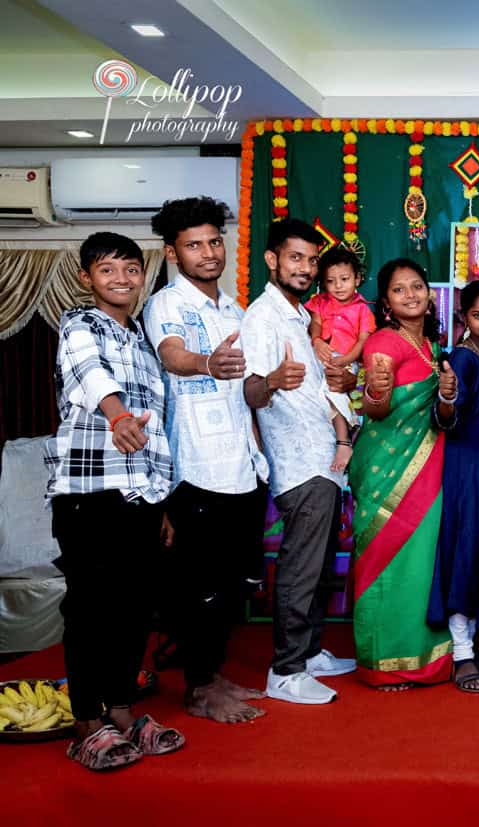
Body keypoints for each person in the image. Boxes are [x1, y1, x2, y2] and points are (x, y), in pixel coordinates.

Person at [47, 232, 184, 770]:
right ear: (88, 278)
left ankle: (122, 711)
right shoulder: (80, 325)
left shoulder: (148, 346)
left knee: (133, 607)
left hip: (143, 494)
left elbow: (162, 427)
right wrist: (117, 414)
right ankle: (85, 722)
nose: (122, 279)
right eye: (108, 270)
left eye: (131, 269)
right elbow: (89, 372)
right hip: (89, 490)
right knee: (90, 607)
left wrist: (165, 503)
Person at [143, 196, 270, 725]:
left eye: (214, 241)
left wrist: (273, 384)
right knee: (199, 586)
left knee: (229, 586)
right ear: (173, 253)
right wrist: (207, 363)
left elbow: (249, 392)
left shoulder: (236, 310)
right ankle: (198, 688)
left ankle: (211, 673)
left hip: (243, 467)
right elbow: (174, 356)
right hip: (196, 470)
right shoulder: (167, 305)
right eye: (194, 245)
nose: (208, 252)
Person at [242, 218, 356, 705]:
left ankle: (308, 654)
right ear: (272, 260)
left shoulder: (299, 316)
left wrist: (340, 430)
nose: (306, 268)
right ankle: (285, 671)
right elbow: (250, 389)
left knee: (321, 564)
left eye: (312, 260)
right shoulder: (261, 319)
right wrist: (271, 381)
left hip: (324, 458)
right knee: (301, 568)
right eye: (295, 258)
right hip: (297, 463)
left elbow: (313, 390)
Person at [349, 258, 457, 689]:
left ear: (430, 295)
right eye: (400, 289)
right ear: (387, 302)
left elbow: (442, 412)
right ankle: (381, 659)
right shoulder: (383, 342)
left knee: (421, 562)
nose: (411, 294)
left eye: (418, 286)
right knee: (384, 558)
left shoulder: (433, 345)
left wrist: (448, 396)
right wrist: (375, 389)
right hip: (387, 468)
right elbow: (375, 408)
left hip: (428, 470)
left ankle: (423, 658)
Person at [429, 280, 479, 693]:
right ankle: (462, 654)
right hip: (465, 469)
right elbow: (446, 418)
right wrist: (445, 398)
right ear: (463, 318)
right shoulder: (462, 357)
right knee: (465, 553)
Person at [307, 244, 374, 462]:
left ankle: (344, 442)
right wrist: (316, 341)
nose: (338, 286)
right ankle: (341, 435)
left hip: (347, 360)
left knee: (333, 392)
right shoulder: (320, 303)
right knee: (316, 396)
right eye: (330, 281)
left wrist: (345, 360)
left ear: (357, 279)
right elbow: (315, 325)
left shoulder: (363, 309)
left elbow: (363, 341)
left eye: (344, 279)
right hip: (322, 355)